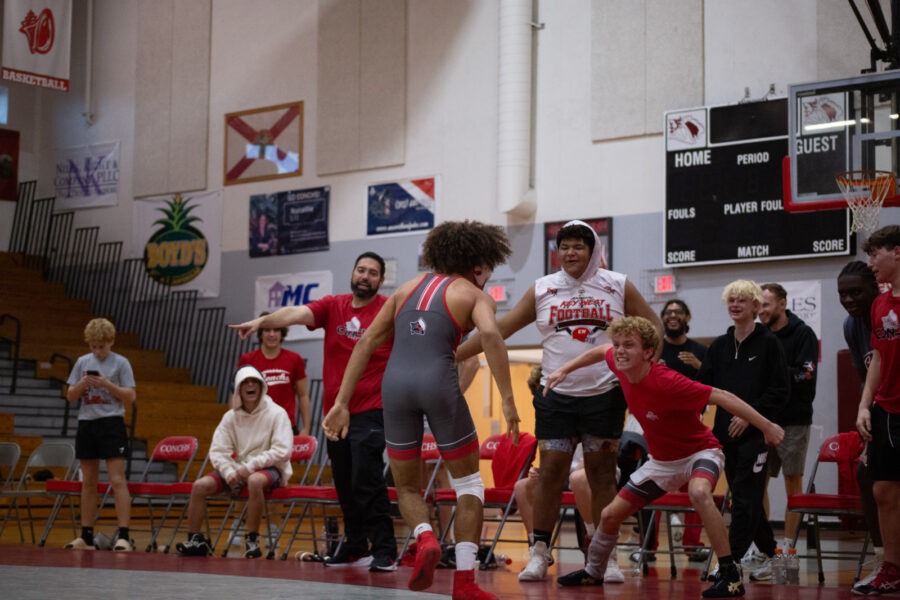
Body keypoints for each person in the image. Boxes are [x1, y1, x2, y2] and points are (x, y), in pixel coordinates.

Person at [455, 219, 663, 584]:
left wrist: (642, 371)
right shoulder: (543, 288)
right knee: (549, 474)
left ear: (593, 250)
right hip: (556, 396)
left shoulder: (616, 284)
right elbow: (499, 330)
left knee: (601, 475)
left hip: (604, 394)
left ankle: (605, 556)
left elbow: (653, 327)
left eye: (578, 246)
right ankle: (538, 553)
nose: (569, 252)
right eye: (564, 246)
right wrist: (453, 354)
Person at [322, 220, 520, 600]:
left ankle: (425, 537)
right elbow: (491, 336)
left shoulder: (405, 290)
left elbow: (366, 341)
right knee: (469, 485)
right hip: (438, 384)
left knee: (407, 485)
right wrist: (508, 400)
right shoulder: (474, 294)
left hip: (393, 389)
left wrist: (342, 403)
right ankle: (465, 584)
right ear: (479, 263)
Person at [544, 316, 784, 597]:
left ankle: (731, 575)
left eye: (629, 345)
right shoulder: (618, 364)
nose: (620, 350)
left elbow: (720, 395)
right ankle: (593, 571)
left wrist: (767, 426)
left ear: (648, 353)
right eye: (618, 344)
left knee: (700, 493)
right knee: (609, 515)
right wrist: (564, 369)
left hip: (700, 452)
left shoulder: (668, 381)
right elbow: (600, 351)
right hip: (662, 463)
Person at [230, 252, 398, 571]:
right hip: (335, 414)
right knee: (345, 482)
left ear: (380, 280)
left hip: (371, 410)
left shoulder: (387, 311)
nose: (365, 276)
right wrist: (260, 322)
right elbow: (294, 313)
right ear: (352, 272)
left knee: (367, 477)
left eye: (373, 273)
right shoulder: (333, 306)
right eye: (361, 269)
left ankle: (385, 549)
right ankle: (355, 546)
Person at [696, 280, 788, 584]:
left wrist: (750, 417)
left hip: (756, 435)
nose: (735, 305)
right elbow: (703, 386)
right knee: (742, 495)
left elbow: (780, 390)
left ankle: (729, 562)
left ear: (754, 306)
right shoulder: (720, 346)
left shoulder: (769, 343)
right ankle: (773, 552)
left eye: (741, 301)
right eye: (731, 301)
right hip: (724, 435)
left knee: (746, 497)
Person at [176, 365, 293, 559]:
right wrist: (230, 472)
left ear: (262, 386)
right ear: (238, 388)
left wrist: (248, 468)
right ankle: (196, 539)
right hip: (237, 468)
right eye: (245, 382)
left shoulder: (277, 413)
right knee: (199, 486)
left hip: (270, 468)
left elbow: (282, 451)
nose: (250, 385)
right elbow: (218, 450)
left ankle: (252, 539)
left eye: (254, 381)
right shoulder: (230, 417)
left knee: (254, 481)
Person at [853, 224, 900, 596]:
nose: (870, 263)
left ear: (897, 252)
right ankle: (891, 568)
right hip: (886, 411)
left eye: (875, 254)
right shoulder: (879, 305)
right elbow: (878, 359)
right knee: (884, 490)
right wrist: (864, 406)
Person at [64, 318, 137, 551]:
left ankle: (123, 534)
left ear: (111, 342)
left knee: (117, 479)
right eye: (93, 346)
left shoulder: (121, 363)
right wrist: (82, 384)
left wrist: (107, 385)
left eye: (102, 347)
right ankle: (86, 535)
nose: (98, 351)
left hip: (112, 423)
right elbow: (70, 395)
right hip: (87, 422)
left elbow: (130, 396)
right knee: (89, 482)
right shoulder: (82, 362)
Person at [758, 282, 818, 551]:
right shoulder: (759, 336)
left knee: (792, 482)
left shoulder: (802, 333)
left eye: (766, 305)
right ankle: (764, 545)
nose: (761, 311)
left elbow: (806, 374)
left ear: (782, 304)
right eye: (758, 305)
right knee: (758, 482)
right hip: (763, 420)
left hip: (794, 420)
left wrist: (774, 378)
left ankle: (788, 547)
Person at [837, 260, 884, 593]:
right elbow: (865, 375)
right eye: (843, 294)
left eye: (856, 292)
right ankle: (884, 557)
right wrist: (867, 410)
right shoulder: (852, 326)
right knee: (866, 473)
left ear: (875, 288)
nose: (849, 299)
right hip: (882, 409)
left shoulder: (888, 315)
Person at [513, 367, 594, 557]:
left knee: (578, 478)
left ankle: (593, 537)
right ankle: (537, 546)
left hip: (590, 472)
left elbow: (589, 461)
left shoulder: (582, 407)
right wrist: (541, 470)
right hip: (564, 475)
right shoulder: (549, 419)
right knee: (523, 486)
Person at [659, 299, 709, 561]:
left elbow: (717, 387)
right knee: (652, 485)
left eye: (678, 312)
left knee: (695, 488)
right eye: (668, 312)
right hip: (659, 428)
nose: (673, 316)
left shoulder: (700, 350)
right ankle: (649, 548)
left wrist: (700, 368)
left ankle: (692, 545)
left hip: (692, 428)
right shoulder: (655, 350)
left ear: (687, 316)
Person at [238, 312, 311, 435]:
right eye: (267, 330)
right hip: (255, 428)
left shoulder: (295, 359)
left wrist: (306, 429)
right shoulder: (247, 360)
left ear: (282, 333)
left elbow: (303, 395)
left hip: (286, 427)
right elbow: (238, 395)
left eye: (276, 330)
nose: (272, 335)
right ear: (260, 333)